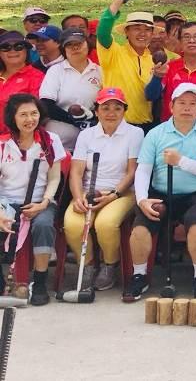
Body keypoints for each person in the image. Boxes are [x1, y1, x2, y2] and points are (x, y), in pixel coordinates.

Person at [124, 82, 196, 302]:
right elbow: (143, 170)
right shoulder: (156, 134)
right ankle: (139, 276)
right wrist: (142, 200)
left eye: (192, 103)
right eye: (182, 103)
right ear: (171, 106)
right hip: (160, 192)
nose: (187, 108)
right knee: (140, 229)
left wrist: (181, 162)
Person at [63, 87, 141, 291]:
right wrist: (78, 197)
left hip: (121, 193)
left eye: (117, 107)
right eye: (105, 107)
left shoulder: (135, 133)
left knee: (106, 224)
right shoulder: (86, 135)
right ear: (96, 111)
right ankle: (87, 266)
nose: (111, 112)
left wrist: (114, 194)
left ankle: (109, 265)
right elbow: (77, 172)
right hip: (89, 191)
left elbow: (132, 172)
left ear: (125, 110)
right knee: (72, 224)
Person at [0, 94, 67, 305]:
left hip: (40, 200)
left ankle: (39, 282)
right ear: (13, 117)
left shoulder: (50, 140)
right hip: (6, 200)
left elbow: (55, 177)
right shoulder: (2, 144)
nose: (30, 119)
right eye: (23, 115)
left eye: (34, 113)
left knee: (45, 225)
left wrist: (44, 203)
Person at [96, 0, 156, 128]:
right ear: (126, 32)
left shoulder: (153, 59)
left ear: (152, 34)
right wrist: (119, 0)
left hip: (146, 126)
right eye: (137, 29)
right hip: (116, 125)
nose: (142, 33)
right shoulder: (114, 52)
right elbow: (103, 31)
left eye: (147, 30)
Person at [38, 27, 102, 151]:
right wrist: (73, 120)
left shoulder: (100, 71)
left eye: (79, 43)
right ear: (63, 49)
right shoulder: (55, 71)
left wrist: (90, 120)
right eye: (70, 45)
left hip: (92, 134)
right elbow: (46, 104)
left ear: (88, 45)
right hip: (60, 139)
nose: (75, 48)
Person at [151, 21, 196, 122]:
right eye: (186, 37)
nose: (192, 40)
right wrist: (157, 77)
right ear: (179, 41)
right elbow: (152, 96)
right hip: (169, 129)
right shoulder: (169, 67)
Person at [0, 31, 45, 133]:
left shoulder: (36, 77)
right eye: (6, 47)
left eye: (18, 46)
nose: (12, 51)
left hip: (17, 137)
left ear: (26, 51)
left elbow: (34, 114)